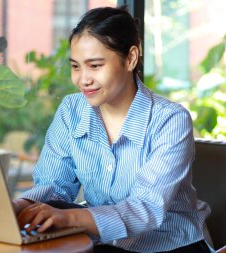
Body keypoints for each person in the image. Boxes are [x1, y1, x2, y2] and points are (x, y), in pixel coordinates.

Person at [12, 5, 214, 253]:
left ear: (130, 58)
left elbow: (146, 209)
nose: (83, 79)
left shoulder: (170, 120)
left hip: (168, 244)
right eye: (76, 66)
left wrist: (71, 218)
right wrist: (18, 206)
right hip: (103, 242)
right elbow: (55, 185)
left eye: (95, 66)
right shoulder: (71, 111)